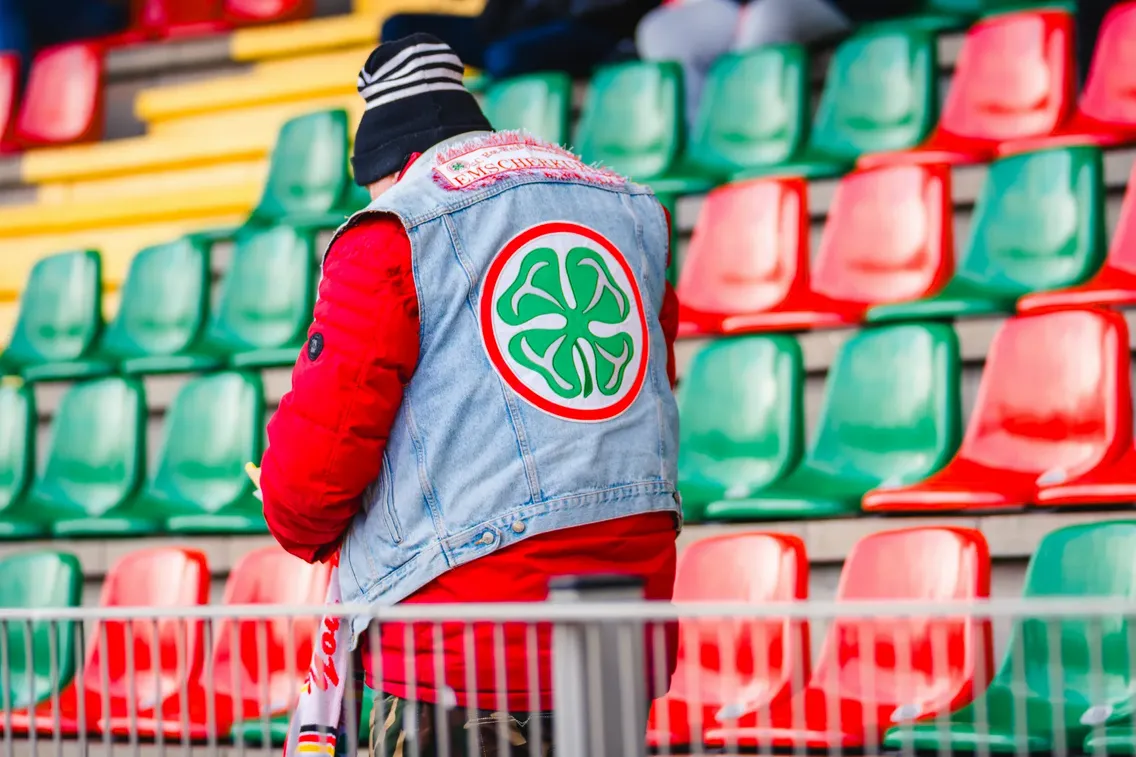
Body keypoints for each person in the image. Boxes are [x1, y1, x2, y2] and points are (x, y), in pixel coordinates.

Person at [259, 33, 681, 756]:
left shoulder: (393, 228)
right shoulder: (627, 208)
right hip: (622, 624)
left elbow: (310, 485)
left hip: (462, 645)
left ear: (386, 165)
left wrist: (290, 503)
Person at [380, 0, 657, 79]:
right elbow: (489, 23)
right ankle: (413, 127)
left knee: (503, 56)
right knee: (401, 28)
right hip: (513, 27)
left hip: (587, 27)